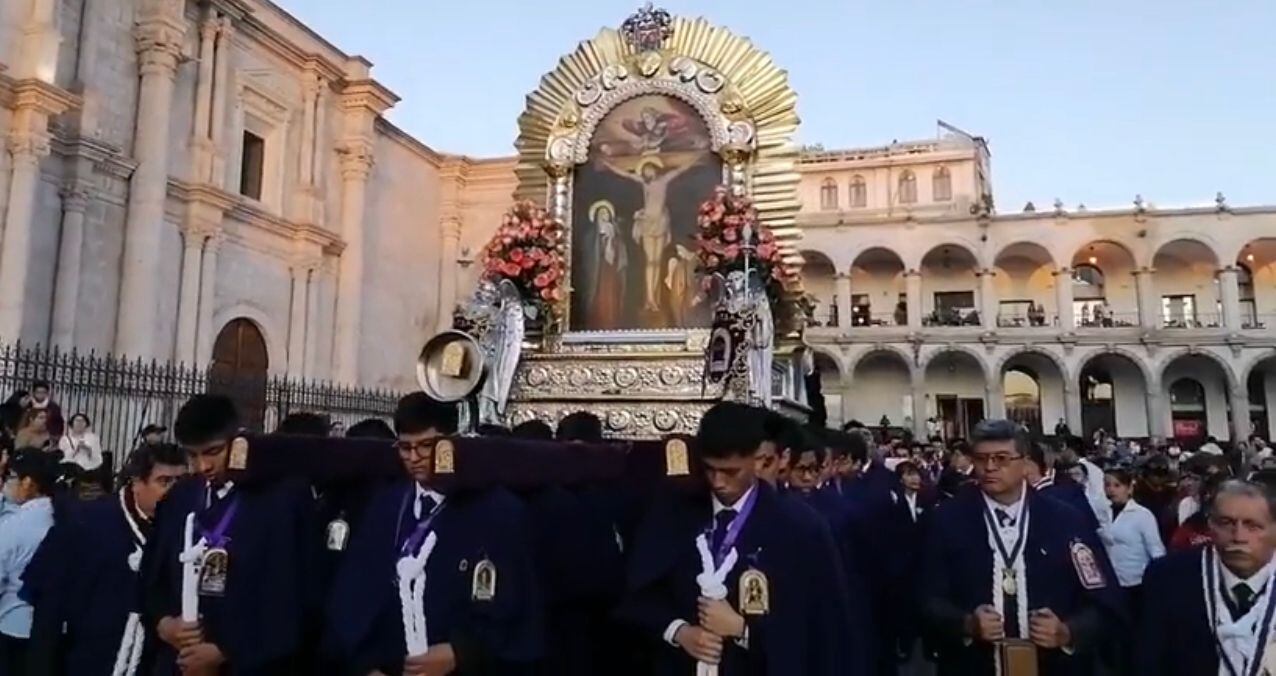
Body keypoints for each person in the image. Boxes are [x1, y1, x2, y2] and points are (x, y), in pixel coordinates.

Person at [617, 401, 862, 675]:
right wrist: (679, 631)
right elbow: (636, 596)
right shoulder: (674, 511)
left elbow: (822, 631)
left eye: (731, 471)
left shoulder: (801, 527)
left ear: (759, 460)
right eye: (710, 469)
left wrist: (744, 631)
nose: (719, 482)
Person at [325, 392, 543, 673]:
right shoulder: (386, 504)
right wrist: (365, 663)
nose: (414, 458)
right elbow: (354, 590)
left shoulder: (498, 510)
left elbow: (517, 604)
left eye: (426, 446)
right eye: (405, 448)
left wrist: (463, 652)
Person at [921, 419, 1122, 676]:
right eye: (981, 459)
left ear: (1025, 462)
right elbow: (924, 598)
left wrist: (1069, 631)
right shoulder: (946, 520)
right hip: (973, 666)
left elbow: (1105, 600)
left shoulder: (1066, 521)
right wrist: (965, 624)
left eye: (1002, 458)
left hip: (1054, 666)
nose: (990, 467)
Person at [140, 394, 318, 674]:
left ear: (238, 441)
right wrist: (163, 623)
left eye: (212, 452)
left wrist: (228, 650)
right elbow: (151, 578)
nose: (202, 467)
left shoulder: (282, 498)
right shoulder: (181, 498)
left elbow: (294, 597)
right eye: (192, 455)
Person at [22, 443, 187, 675]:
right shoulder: (85, 523)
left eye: (182, 481)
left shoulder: (188, 529)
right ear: (137, 482)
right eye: (165, 481)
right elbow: (48, 609)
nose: (176, 491)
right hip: (87, 660)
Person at [1136, 479, 1276, 675]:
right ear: (1210, 525)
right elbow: (1149, 661)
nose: (1238, 536)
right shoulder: (1168, 578)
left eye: (1253, 526)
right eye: (1226, 523)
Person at [0, 450, 61, 674]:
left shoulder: (14, 525)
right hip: (54, 629)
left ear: (28, 482)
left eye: (11, 476)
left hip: (13, 626)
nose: (6, 482)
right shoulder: (62, 516)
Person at [1101, 468, 1165, 624]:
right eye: (1108, 485)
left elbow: (1156, 550)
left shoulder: (1143, 515)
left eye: (1117, 485)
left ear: (1129, 488)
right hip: (1110, 581)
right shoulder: (1102, 513)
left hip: (1136, 583)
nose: (1111, 490)